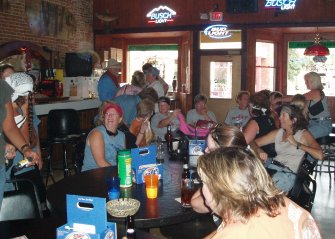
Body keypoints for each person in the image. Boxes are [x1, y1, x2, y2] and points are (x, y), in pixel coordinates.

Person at [198, 147, 321, 239]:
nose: (202, 190)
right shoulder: (280, 202)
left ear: (221, 191)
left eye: (204, 183)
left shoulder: (238, 233)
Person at [254, 104, 323, 193]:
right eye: (280, 115)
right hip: (272, 168)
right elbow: (253, 142)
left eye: (283, 115)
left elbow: (320, 155)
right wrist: (259, 149)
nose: (279, 118)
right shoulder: (278, 133)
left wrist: (297, 144)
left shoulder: (303, 134)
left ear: (293, 120)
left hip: (287, 174)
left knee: (267, 191)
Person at [4, 73, 45, 207]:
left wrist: (27, 149)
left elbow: (25, 138)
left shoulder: (18, 111)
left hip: (11, 167)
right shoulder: (11, 107)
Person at [191, 125, 247, 217]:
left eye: (210, 149)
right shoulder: (247, 166)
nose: (205, 150)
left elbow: (195, 203)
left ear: (224, 155)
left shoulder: (229, 179)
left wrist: (209, 174)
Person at [278, 72, 332, 139]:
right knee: (296, 133)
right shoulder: (310, 96)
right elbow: (304, 113)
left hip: (322, 125)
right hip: (314, 123)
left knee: (300, 137)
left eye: (307, 81)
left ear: (313, 81)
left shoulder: (316, 92)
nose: (305, 83)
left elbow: (297, 98)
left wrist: (278, 99)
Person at [82, 102, 125, 171]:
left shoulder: (122, 136)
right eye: (107, 114)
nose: (109, 116)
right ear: (103, 118)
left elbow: (123, 159)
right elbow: (101, 163)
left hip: (112, 172)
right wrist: (120, 173)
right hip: (93, 174)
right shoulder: (97, 134)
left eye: (113, 114)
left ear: (120, 119)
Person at [243, 91, 277, 160]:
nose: (248, 109)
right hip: (273, 158)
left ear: (252, 107)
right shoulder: (270, 119)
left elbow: (243, 143)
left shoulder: (255, 122)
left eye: (249, 106)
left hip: (262, 159)